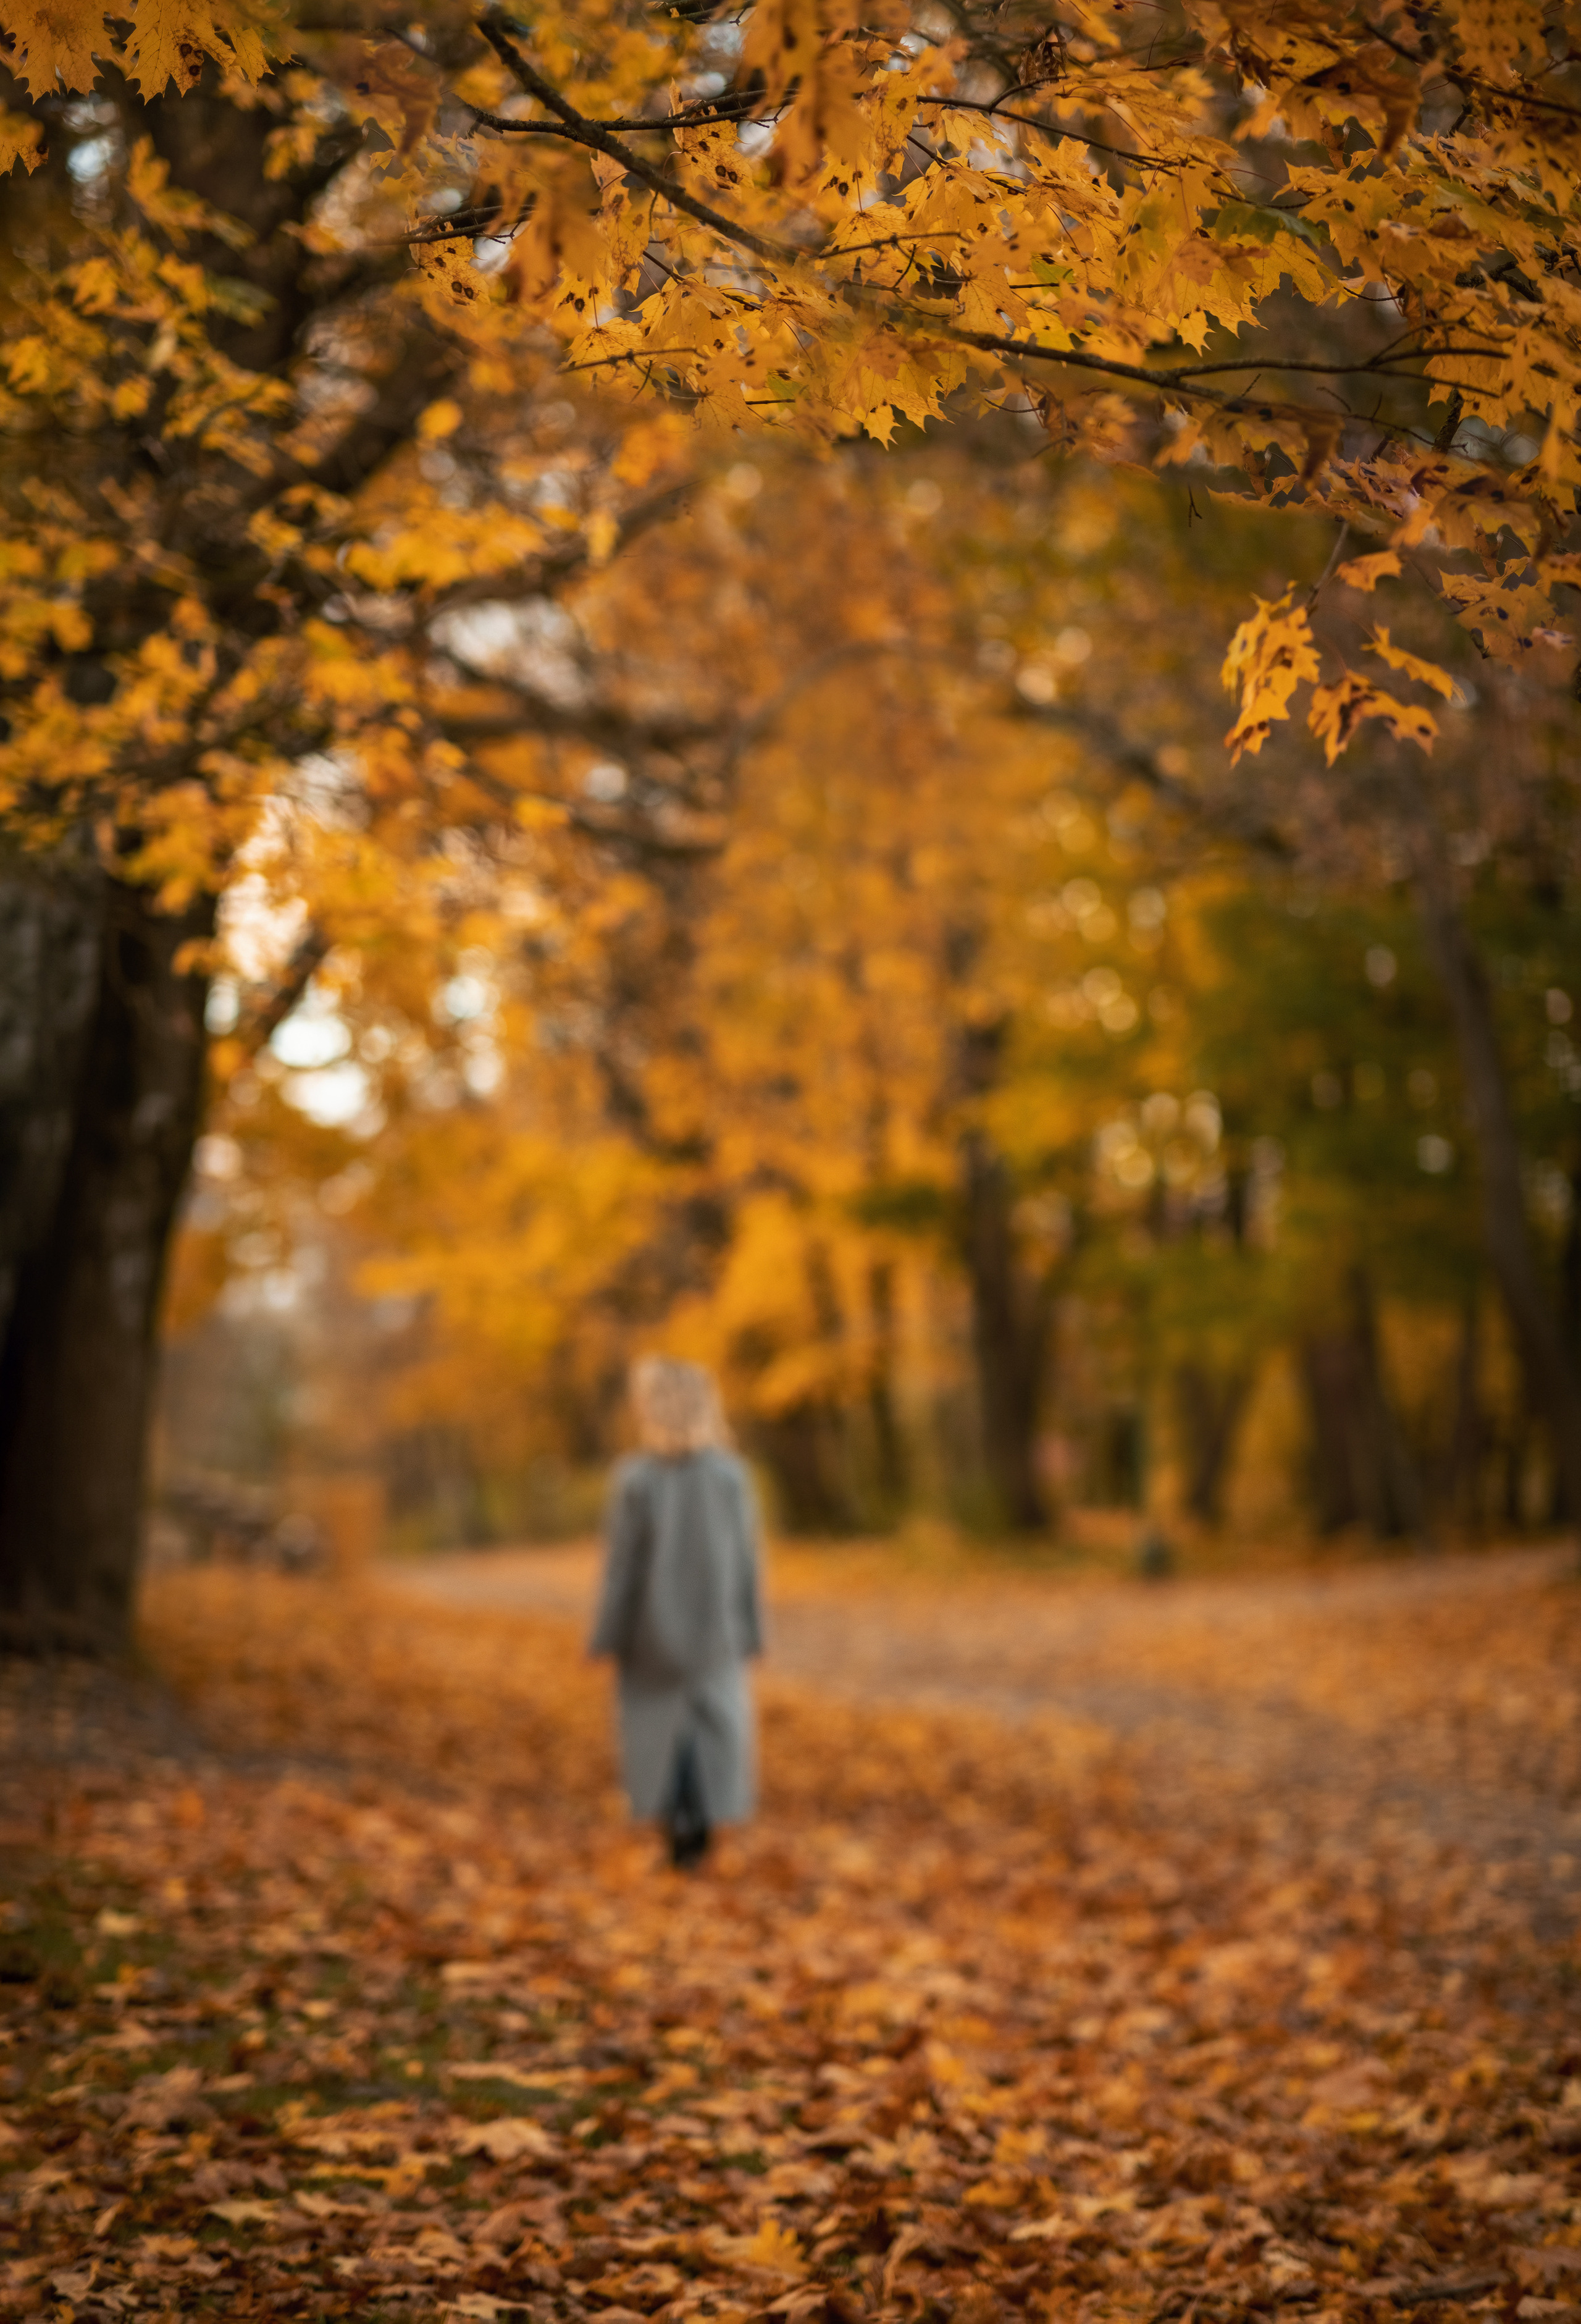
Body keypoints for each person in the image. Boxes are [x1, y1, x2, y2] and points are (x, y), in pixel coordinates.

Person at [590, 1357, 764, 1869]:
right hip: (717, 1633)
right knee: (714, 1725)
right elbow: (746, 1562)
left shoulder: (634, 1478)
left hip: (651, 1633)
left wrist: (607, 1635)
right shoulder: (731, 1475)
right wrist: (752, 1632)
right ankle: (706, 1822)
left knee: (657, 1727)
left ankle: (675, 1821)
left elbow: (622, 1568)